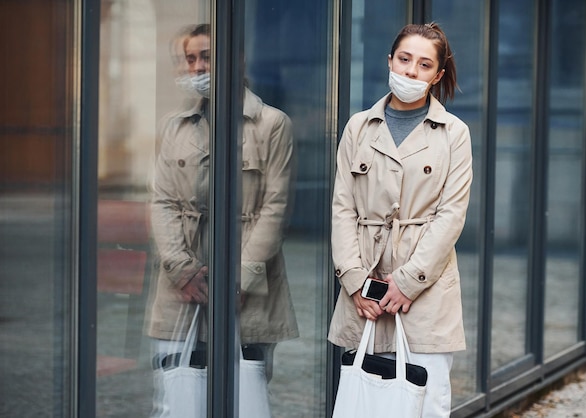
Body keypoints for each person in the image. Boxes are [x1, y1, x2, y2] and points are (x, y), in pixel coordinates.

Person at [145, 23, 299, 416]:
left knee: (244, 389)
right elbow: (161, 201)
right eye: (190, 59)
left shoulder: (271, 124)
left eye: (207, 56)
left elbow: (276, 208)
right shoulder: (174, 128)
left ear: (235, 58)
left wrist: (240, 277)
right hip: (183, 284)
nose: (197, 67)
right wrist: (182, 270)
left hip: (247, 284)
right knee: (179, 388)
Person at [328, 22, 473, 417]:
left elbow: (451, 215)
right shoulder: (359, 126)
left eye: (424, 65)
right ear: (390, 61)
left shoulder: (454, 134)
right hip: (366, 290)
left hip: (425, 291)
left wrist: (408, 282)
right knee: (365, 401)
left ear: (437, 75)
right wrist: (354, 280)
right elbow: (343, 207)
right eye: (405, 59)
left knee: (425, 402)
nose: (411, 71)